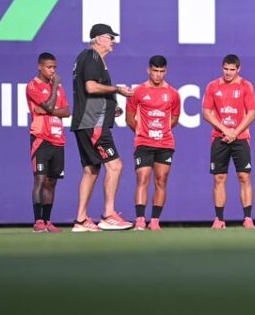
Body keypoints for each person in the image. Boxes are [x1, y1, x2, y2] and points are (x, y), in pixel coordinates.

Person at [71, 24, 134, 232]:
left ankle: (80, 220)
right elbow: (90, 86)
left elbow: (90, 91)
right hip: (93, 123)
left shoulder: (91, 58)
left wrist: (111, 106)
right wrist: (118, 89)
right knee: (115, 166)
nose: (113, 41)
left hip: (87, 122)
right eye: (110, 37)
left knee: (91, 170)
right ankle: (108, 214)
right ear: (98, 39)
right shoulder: (92, 57)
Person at [125, 56, 180, 231]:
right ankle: (140, 219)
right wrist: (144, 132)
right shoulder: (138, 91)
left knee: (161, 180)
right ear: (148, 70)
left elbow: (176, 117)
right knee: (142, 178)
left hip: (165, 143)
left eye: (161, 71)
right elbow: (129, 118)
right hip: (144, 142)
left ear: (166, 71)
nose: (158, 75)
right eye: (155, 71)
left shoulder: (173, 93)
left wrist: (161, 131)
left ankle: (155, 221)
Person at [202, 54, 255, 229]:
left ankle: (248, 218)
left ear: (238, 69)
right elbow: (206, 113)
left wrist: (235, 132)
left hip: (240, 138)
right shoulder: (213, 86)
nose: (228, 72)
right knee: (219, 178)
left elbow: (251, 114)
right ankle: (219, 219)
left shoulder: (246, 86)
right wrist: (225, 130)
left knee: (244, 177)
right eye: (225, 69)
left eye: (232, 69)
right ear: (222, 67)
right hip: (219, 138)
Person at [26, 52, 70, 233]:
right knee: (40, 180)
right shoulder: (33, 86)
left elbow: (67, 111)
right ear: (40, 67)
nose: (52, 71)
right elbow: (52, 106)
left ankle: (47, 220)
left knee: (52, 182)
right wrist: (55, 88)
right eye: (49, 67)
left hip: (58, 138)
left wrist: (48, 110)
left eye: (54, 67)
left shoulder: (58, 88)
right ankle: (38, 222)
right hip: (41, 138)